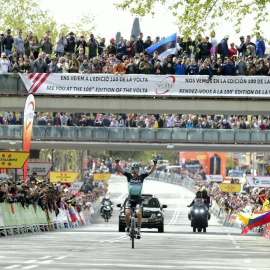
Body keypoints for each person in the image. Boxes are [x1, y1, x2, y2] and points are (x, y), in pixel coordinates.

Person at [115, 158, 157, 239]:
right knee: (127, 213)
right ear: (131, 170)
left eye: (136, 169)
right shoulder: (129, 176)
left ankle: (138, 229)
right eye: (133, 169)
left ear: (138, 170)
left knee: (139, 213)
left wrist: (154, 165)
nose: (134, 171)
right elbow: (121, 170)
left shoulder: (141, 177)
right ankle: (127, 226)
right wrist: (117, 163)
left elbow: (150, 172)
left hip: (138, 199)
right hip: (130, 199)